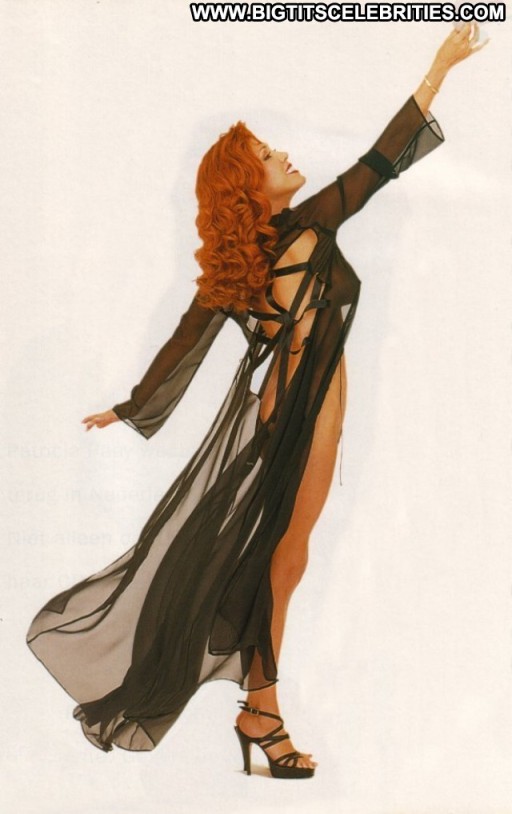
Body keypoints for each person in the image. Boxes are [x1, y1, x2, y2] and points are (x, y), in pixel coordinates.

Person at [26, 24, 487, 779]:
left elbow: (380, 161)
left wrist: (439, 69)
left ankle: (258, 705)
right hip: (300, 412)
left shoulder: (302, 228)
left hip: (307, 407)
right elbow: (187, 339)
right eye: (270, 156)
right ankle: (262, 712)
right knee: (279, 559)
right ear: (250, 186)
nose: (285, 157)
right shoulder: (265, 253)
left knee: (281, 558)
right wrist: (133, 406)